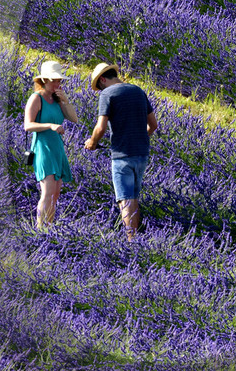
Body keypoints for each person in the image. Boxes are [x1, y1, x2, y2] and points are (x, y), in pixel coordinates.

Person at [83, 62, 158, 238]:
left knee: (125, 198)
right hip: (141, 153)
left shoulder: (107, 94)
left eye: (99, 86)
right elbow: (153, 125)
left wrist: (92, 143)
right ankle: (136, 239)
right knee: (134, 197)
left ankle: (131, 241)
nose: (100, 90)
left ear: (102, 79)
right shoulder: (138, 91)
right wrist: (139, 138)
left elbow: (100, 128)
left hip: (122, 154)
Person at [23, 60, 81, 230]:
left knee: (55, 194)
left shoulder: (56, 99)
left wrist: (66, 101)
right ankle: (40, 229)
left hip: (57, 149)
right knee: (47, 193)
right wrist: (50, 126)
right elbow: (28, 125)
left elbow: (74, 119)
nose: (58, 83)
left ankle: (49, 228)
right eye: (55, 80)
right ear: (45, 80)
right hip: (43, 148)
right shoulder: (36, 98)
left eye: (59, 81)